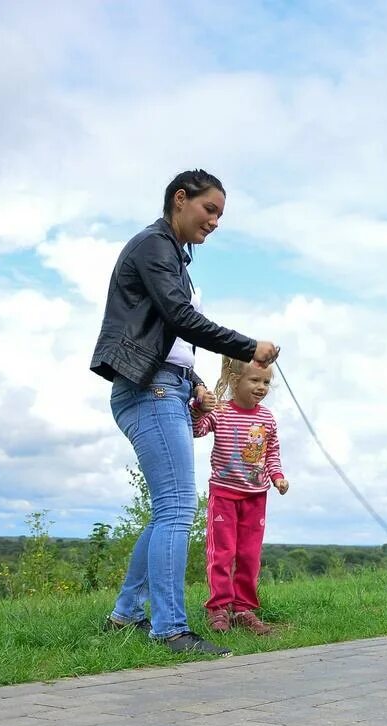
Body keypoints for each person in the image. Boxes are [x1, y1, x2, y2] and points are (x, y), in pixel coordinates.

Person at [92, 170, 278, 656]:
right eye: (209, 209)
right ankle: (170, 629)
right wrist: (249, 346)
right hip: (148, 390)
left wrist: (195, 384)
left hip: (169, 387)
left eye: (220, 214)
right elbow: (181, 319)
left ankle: (126, 614)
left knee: (166, 511)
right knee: (177, 508)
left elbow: (171, 341)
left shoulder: (175, 257)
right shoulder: (153, 246)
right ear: (181, 199)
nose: (214, 221)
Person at [192, 357, 289, 635]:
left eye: (266, 382)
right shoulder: (221, 412)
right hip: (224, 494)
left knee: (249, 555)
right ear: (236, 382)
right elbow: (197, 429)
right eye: (255, 380)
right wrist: (199, 407)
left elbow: (271, 453)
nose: (261, 386)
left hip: (256, 496)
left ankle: (243, 608)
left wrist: (278, 477)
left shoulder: (267, 418)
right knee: (222, 553)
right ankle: (218, 607)